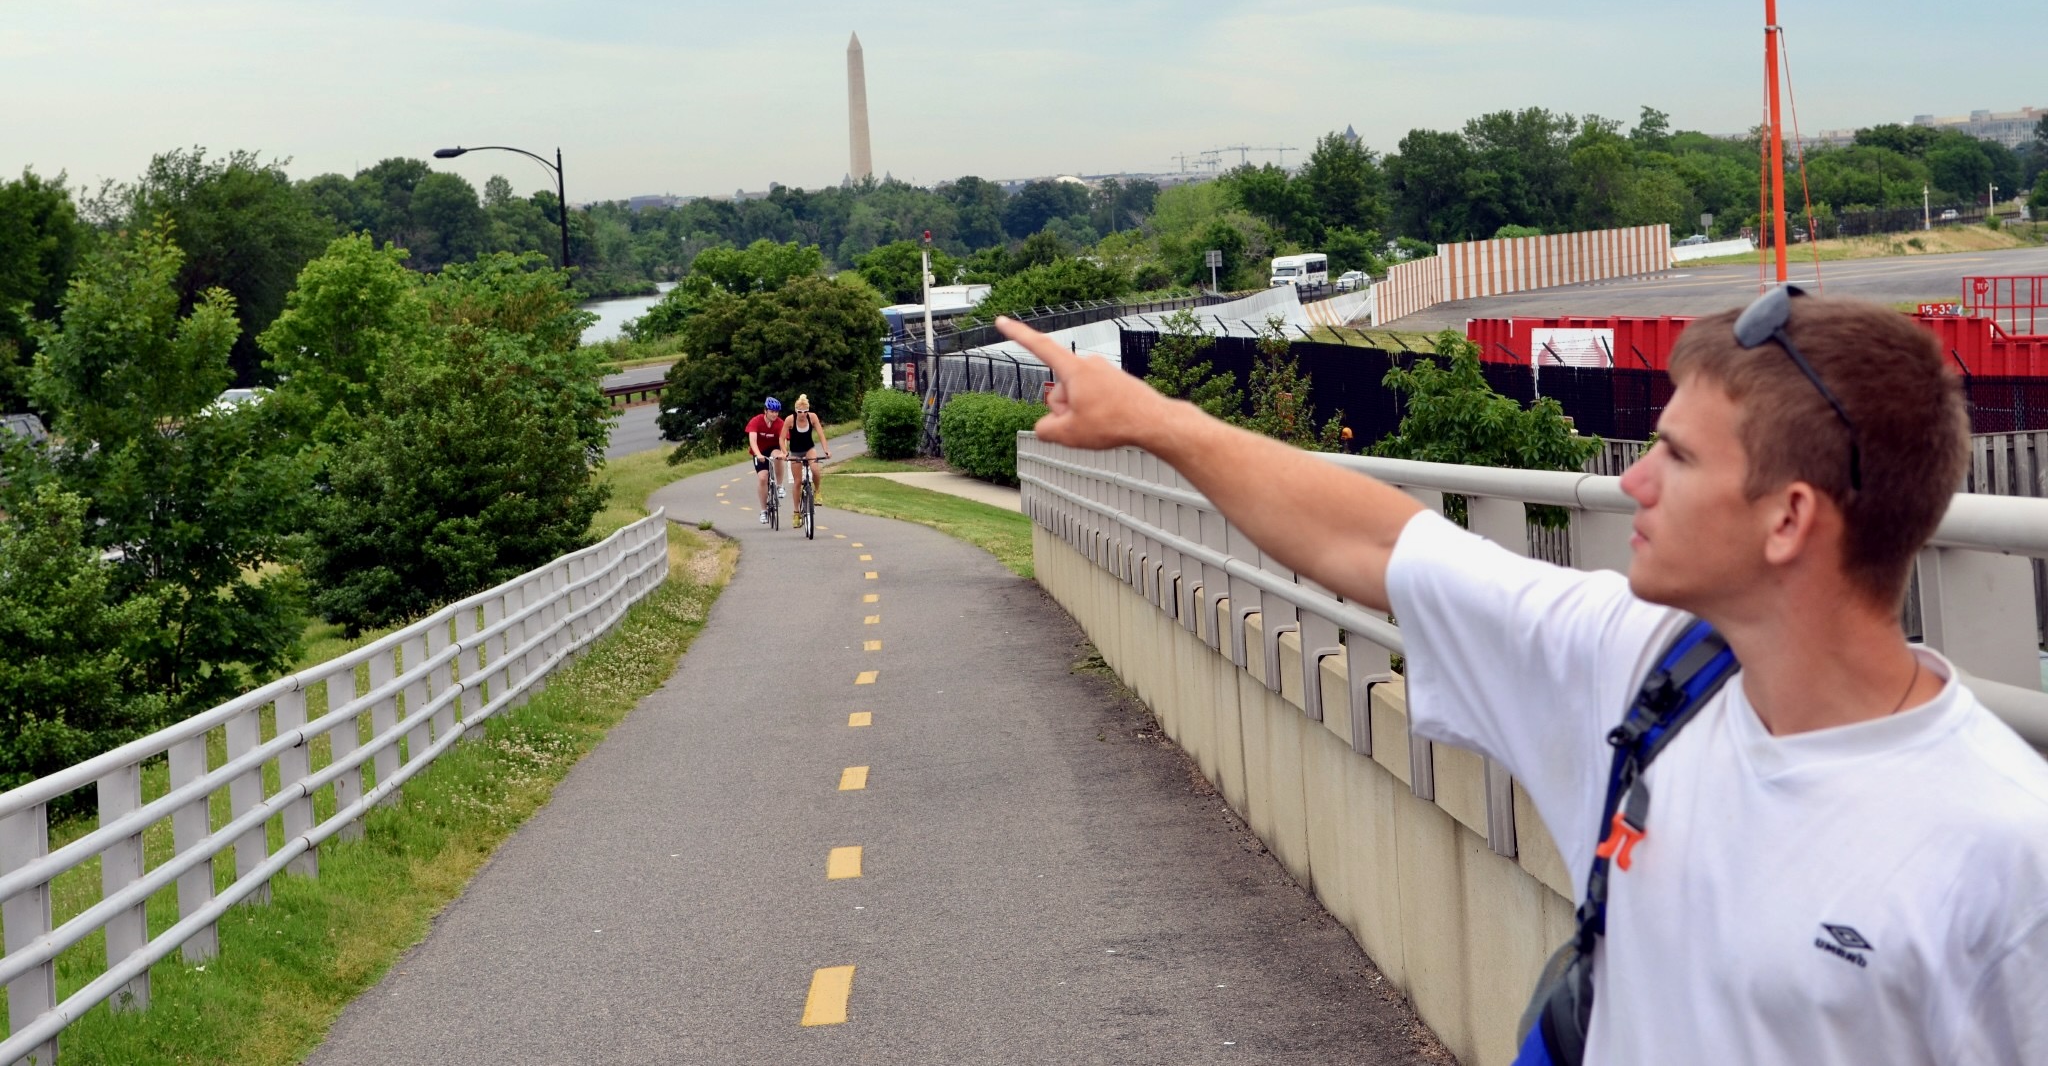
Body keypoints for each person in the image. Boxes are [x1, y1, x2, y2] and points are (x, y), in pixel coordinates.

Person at [997, 290, 2048, 1065]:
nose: (1628, 481)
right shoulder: (1641, 670)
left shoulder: (2000, 852)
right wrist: (1150, 418)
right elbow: (1377, 545)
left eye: (1674, 459)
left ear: (1788, 518)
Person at [780, 393, 832, 519]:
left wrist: (826, 450)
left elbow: (821, 435)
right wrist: (785, 453)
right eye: (800, 411)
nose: (802, 414)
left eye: (805, 411)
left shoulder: (812, 417)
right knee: (797, 482)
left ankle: (817, 491)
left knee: (815, 469)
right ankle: (796, 512)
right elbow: (781, 439)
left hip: (809, 449)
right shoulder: (790, 420)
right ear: (795, 411)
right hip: (795, 452)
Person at [744, 396, 784, 524]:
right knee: (763, 478)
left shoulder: (780, 423)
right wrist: (758, 454)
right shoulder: (756, 421)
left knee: (777, 456)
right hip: (759, 451)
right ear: (765, 410)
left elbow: (782, 440)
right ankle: (763, 511)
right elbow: (752, 440)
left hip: (774, 448)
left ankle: (779, 486)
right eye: (772, 411)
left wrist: (784, 453)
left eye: (776, 412)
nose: (774, 414)